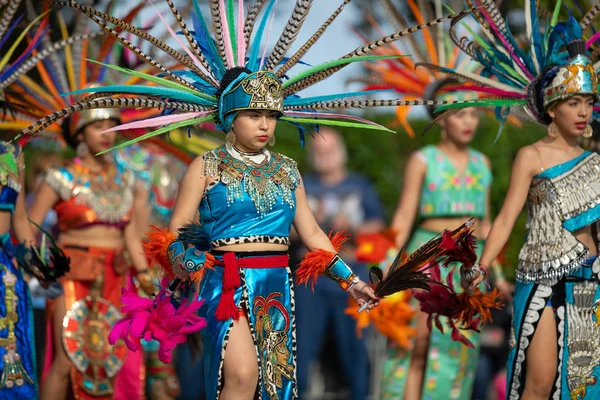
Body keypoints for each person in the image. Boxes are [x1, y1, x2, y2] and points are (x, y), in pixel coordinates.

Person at [14, 2, 480, 399]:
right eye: (254, 114)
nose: (265, 125)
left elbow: (313, 233)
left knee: (274, 385)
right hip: (226, 284)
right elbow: (175, 230)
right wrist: (187, 264)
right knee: (239, 376)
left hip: (276, 284)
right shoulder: (207, 167)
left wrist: (348, 281)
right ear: (229, 117)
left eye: (271, 116)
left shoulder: (287, 169)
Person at [450, 2, 600, 398]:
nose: (583, 112)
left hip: (590, 278)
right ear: (552, 108)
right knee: (538, 381)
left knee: (581, 386)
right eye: (573, 103)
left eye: (588, 103)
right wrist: (481, 267)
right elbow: (505, 219)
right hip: (541, 278)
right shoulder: (530, 157)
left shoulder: (595, 162)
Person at [29, 107, 152, 400]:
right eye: (99, 126)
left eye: (112, 126)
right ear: (81, 132)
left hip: (117, 277)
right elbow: (31, 227)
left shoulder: (127, 181)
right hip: (72, 273)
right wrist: (41, 269)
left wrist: (146, 275)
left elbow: (131, 235)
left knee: (118, 357)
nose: (106, 133)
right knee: (67, 356)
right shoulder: (60, 177)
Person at [294, 127, 385, 400]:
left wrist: (353, 227)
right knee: (301, 348)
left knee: (355, 351)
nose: (325, 156)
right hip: (311, 280)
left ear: (341, 153)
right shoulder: (302, 185)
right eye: (319, 151)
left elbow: (379, 227)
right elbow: (284, 230)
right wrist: (312, 222)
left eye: (330, 150)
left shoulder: (360, 186)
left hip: (351, 277)